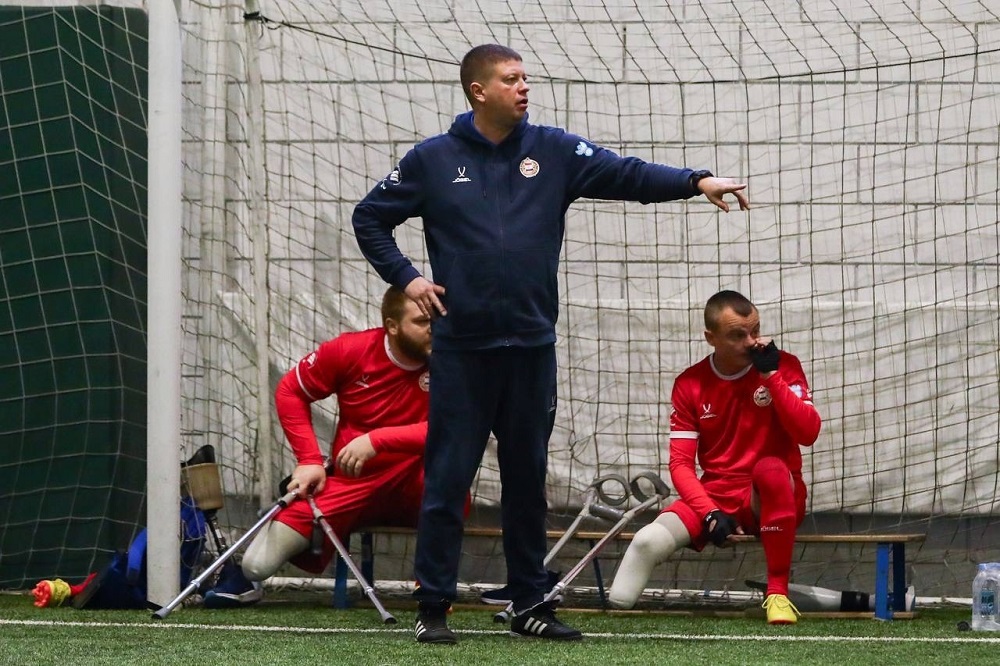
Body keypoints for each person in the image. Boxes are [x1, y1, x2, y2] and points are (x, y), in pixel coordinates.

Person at [351, 44, 750, 644]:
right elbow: (369, 218)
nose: (524, 87)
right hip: (463, 352)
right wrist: (407, 278)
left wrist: (696, 181)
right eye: (511, 79)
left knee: (526, 483)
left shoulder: (554, 150)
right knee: (448, 479)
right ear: (478, 91)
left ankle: (529, 602)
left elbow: (627, 174)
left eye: (525, 78)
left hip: (531, 350)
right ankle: (432, 605)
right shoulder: (432, 159)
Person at [202, 286, 433, 607]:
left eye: (437, 320)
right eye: (422, 321)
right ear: (392, 326)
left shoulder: (454, 358)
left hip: (420, 478)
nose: (433, 329)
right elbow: (290, 391)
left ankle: (433, 588)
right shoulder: (350, 350)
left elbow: (455, 428)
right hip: (354, 481)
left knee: (451, 486)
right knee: (256, 564)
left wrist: (376, 440)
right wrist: (309, 459)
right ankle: (247, 580)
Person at [607, 290, 821, 624]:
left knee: (771, 469)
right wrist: (709, 512)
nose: (752, 342)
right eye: (737, 335)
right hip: (717, 495)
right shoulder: (690, 383)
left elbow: (808, 433)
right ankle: (614, 623)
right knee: (648, 542)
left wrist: (771, 377)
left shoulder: (783, 365)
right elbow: (680, 465)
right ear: (711, 338)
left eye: (755, 330)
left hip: (772, 493)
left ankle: (778, 594)